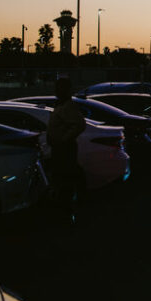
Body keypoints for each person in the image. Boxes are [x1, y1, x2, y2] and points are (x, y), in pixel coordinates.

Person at [47, 77, 86, 223]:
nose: (56, 91)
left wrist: (64, 139)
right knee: (62, 180)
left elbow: (79, 125)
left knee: (65, 181)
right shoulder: (62, 105)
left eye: (59, 88)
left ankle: (66, 214)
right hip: (60, 149)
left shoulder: (68, 107)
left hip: (64, 149)